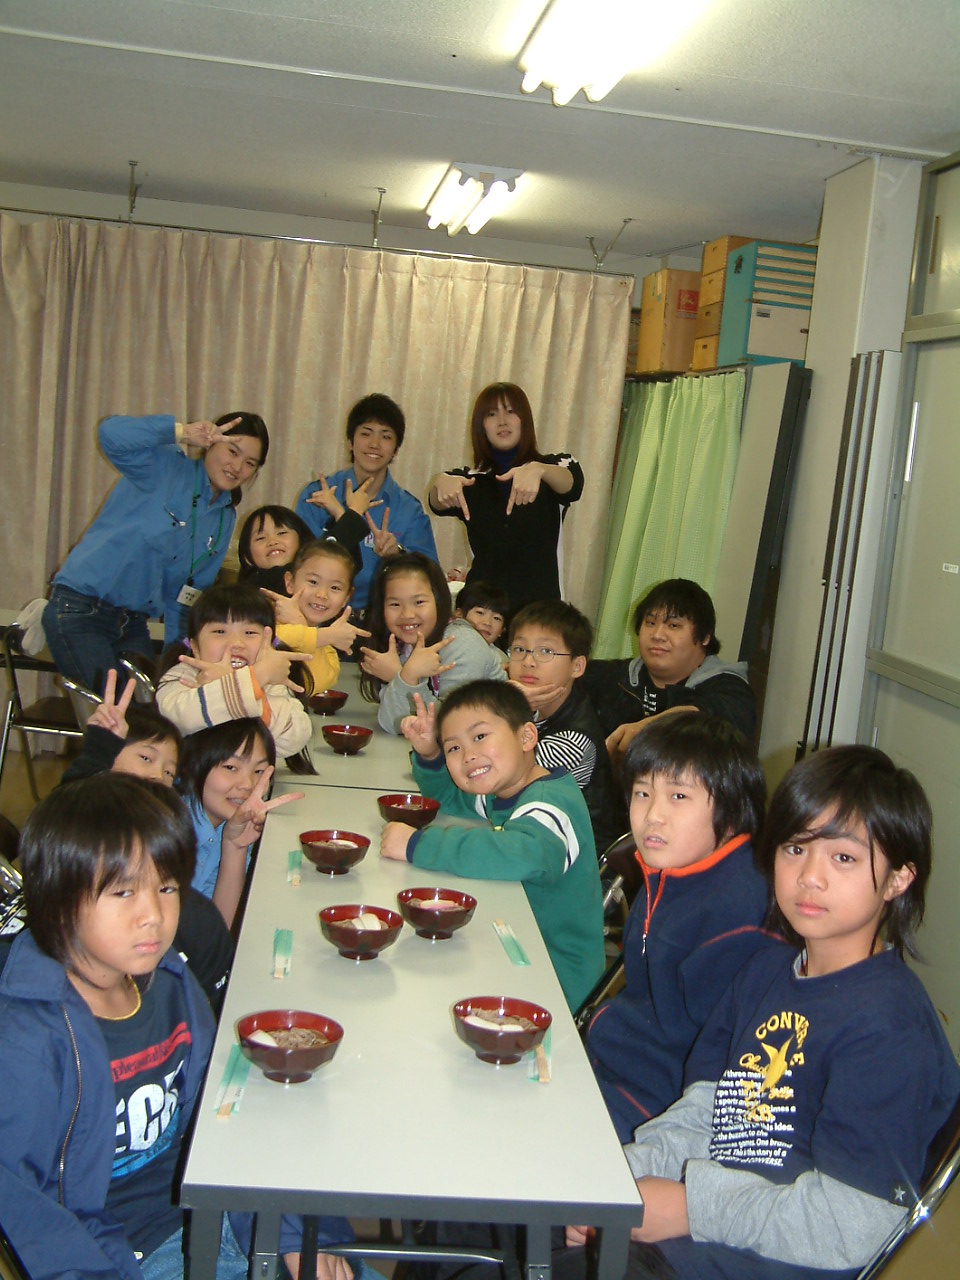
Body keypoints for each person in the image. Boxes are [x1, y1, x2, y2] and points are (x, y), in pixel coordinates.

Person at [563, 745, 960, 1280]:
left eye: (843, 858)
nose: (810, 876)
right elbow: (706, 1108)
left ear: (898, 879)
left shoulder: (889, 1025)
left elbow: (851, 1225)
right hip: (689, 1240)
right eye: (795, 849)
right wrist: (617, 1184)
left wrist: (689, 1207)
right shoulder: (764, 971)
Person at [0, 774, 363, 1280]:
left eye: (167, 886)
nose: (154, 914)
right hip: (125, 1252)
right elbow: (20, 1207)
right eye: (123, 892)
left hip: (217, 1209)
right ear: (57, 899)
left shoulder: (171, 983)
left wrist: (290, 1232)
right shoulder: (26, 1039)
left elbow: (227, 1108)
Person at [584, 714, 770, 1142]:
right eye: (642, 793)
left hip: (658, 1111)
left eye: (679, 796)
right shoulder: (673, 871)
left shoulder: (739, 916)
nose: (653, 815)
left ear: (731, 807)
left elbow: (712, 1078)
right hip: (614, 1066)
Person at [381, 680, 604, 1011]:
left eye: (480, 736)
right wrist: (429, 755)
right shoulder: (505, 790)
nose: (468, 755)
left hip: (555, 977)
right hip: (513, 941)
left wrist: (417, 844)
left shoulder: (552, 803)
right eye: (453, 748)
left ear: (526, 737)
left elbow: (518, 854)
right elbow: (449, 798)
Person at [42, 411, 269, 693]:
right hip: (81, 609)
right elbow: (110, 434)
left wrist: (179, 661)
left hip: (132, 623)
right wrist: (182, 432)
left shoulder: (224, 518)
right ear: (211, 443)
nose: (237, 467)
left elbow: (187, 598)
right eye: (232, 452)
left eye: (249, 463)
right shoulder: (165, 466)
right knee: (116, 710)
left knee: (153, 707)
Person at [57, 670, 233, 1011]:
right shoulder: (79, 833)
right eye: (146, 758)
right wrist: (99, 750)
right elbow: (69, 814)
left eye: (168, 772)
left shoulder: (169, 836)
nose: (157, 776)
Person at [428, 382, 584, 614]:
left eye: (511, 411)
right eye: (492, 414)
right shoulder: (472, 480)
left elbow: (574, 484)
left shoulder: (552, 467)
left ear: (525, 420)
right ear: (481, 426)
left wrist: (538, 470)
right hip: (481, 617)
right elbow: (436, 503)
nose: (502, 421)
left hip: (539, 615)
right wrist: (440, 481)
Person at [581, 578, 757, 761]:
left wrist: (647, 728)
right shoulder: (610, 676)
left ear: (705, 636)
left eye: (673, 625)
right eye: (650, 623)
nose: (657, 635)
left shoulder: (730, 688)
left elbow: (715, 716)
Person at [294, 393, 438, 614]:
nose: (374, 444)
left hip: (380, 619)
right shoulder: (318, 495)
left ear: (396, 449)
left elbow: (431, 580)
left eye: (386, 436)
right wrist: (346, 517)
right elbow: (299, 564)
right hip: (318, 614)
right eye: (366, 433)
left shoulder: (410, 510)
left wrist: (398, 555)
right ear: (350, 442)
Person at [507, 600, 627, 855]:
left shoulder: (573, 741)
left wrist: (507, 705)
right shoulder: (537, 710)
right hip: (537, 842)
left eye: (545, 651)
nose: (528, 661)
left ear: (577, 666)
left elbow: (496, 779)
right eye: (519, 649)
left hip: (578, 864)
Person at [156, 583, 312, 762]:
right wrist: (255, 679)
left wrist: (240, 684)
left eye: (249, 632)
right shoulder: (182, 676)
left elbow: (295, 736)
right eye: (220, 631)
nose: (237, 643)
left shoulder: (272, 685)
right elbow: (180, 718)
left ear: (269, 644)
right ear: (195, 646)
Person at [359, 552, 505, 734]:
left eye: (419, 602)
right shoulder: (402, 644)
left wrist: (401, 676)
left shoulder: (463, 643)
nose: (407, 614)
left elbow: (451, 726)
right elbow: (394, 724)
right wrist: (403, 678)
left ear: (439, 600)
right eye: (395, 604)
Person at [177, 717, 301, 928]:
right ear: (195, 764)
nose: (248, 785)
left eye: (259, 771)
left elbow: (218, 929)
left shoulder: (231, 827)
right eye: (231, 767)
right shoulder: (165, 829)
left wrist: (236, 847)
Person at [261, 538, 370, 689]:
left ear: (346, 598)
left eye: (335, 588)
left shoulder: (328, 649)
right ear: (290, 582)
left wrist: (304, 627)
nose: (322, 594)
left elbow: (312, 687)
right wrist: (323, 635)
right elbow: (274, 640)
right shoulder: (264, 620)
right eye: (313, 582)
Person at [236, 504, 317, 594]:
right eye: (261, 538)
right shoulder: (244, 595)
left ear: (301, 539)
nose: (272, 542)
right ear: (247, 556)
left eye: (282, 533)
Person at [453, 579, 510, 649]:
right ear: (459, 614)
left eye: (496, 618)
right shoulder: (446, 643)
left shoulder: (498, 656)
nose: (487, 623)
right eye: (480, 612)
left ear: (502, 630)